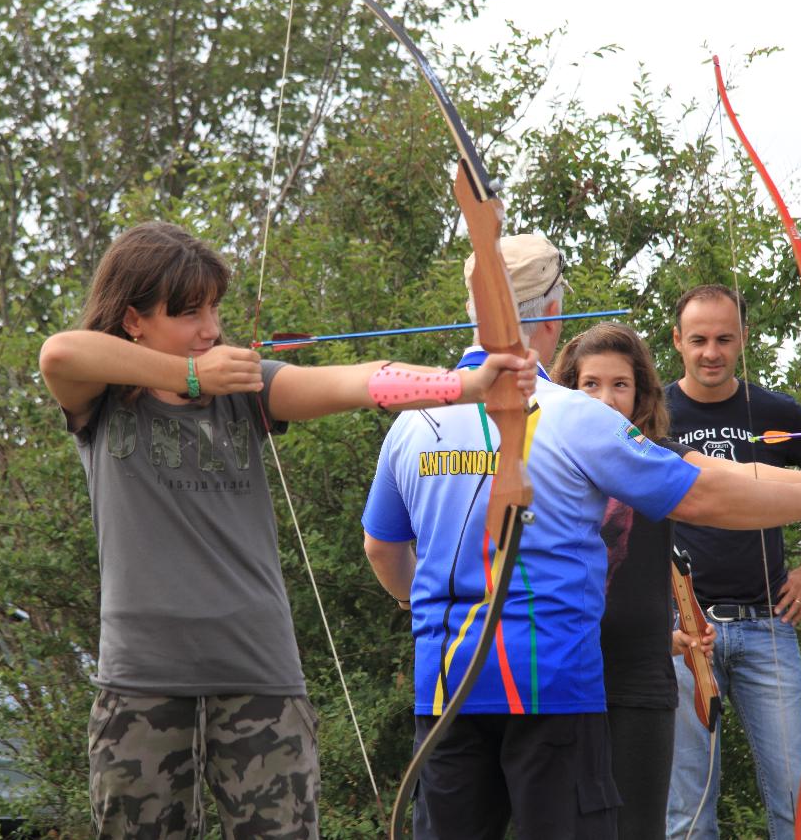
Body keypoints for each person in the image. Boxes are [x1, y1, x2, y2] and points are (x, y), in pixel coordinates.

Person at [37, 221, 539, 840]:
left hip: (260, 679)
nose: (211, 329)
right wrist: (191, 377)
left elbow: (356, 380)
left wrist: (463, 384)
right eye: (188, 312)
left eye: (214, 308)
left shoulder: (250, 392)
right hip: (141, 681)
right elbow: (59, 353)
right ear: (134, 320)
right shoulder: (102, 401)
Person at [360, 235, 801, 840]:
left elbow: (382, 550)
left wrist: (416, 603)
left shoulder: (413, 423)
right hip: (551, 690)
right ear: (551, 313)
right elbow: (698, 493)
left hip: (446, 689)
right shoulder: (575, 416)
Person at [551, 321, 801, 840]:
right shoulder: (542, 457)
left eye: (620, 385)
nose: (606, 400)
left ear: (640, 394)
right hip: (560, 666)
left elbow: (735, 476)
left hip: (638, 671)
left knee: (642, 824)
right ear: (568, 391)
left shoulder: (651, 456)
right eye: (590, 385)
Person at [664, 283, 801, 839]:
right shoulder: (655, 413)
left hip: (766, 625)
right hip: (684, 633)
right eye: (698, 340)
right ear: (677, 341)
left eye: (723, 338)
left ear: (742, 340)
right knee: (687, 815)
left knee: (796, 805)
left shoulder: (775, 411)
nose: (710, 352)